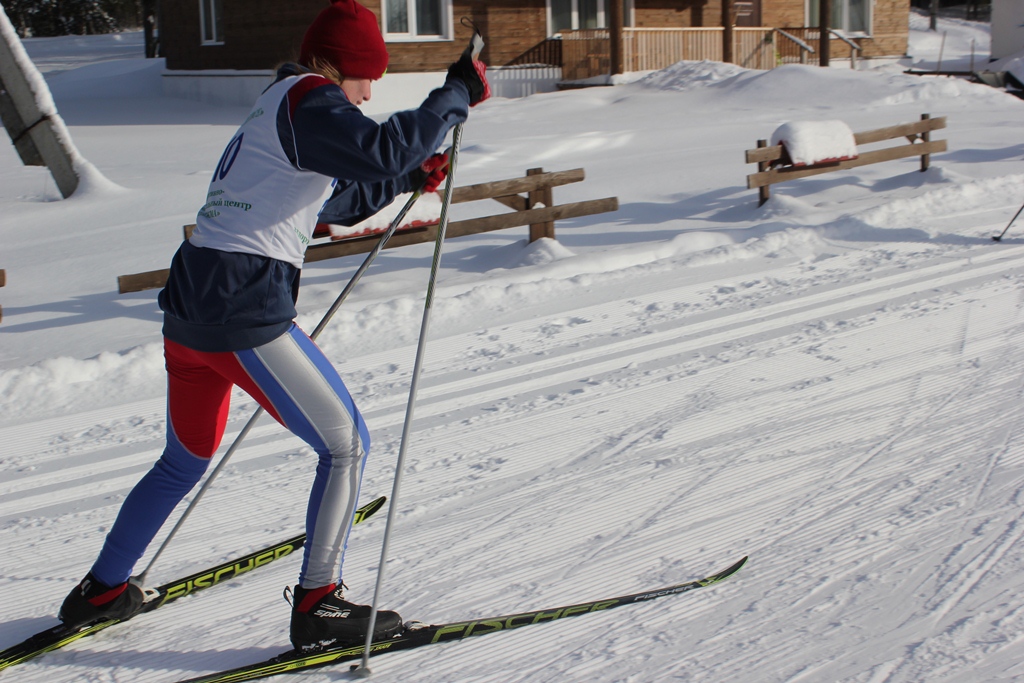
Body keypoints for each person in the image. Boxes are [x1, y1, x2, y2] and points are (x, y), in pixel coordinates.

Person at [57, 0, 490, 652]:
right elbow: (382, 145)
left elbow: (330, 199)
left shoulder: (279, 105)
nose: (371, 90)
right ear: (340, 67)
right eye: (368, 75)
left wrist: (407, 177)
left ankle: (102, 590)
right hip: (241, 312)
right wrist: (455, 92)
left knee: (183, 459)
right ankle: (319, 604)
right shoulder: (313, 99)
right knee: (346, 444)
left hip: (191, 311)